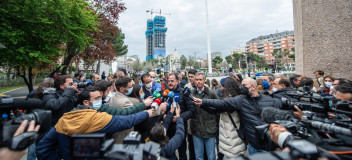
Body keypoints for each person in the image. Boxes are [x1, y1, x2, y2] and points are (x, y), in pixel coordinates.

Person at [36, 87, 155, 160]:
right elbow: (127, 121)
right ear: (86, 102)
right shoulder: (98, 119)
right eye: (97, 98)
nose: (101, 101)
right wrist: (147, 113)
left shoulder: (64, 120)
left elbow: (43, 148)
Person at [193, 78, 282, 155]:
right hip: (254, 145)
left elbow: (279, 121)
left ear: (253, 87)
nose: (241, 87)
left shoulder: (270, 100)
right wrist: (203, 102)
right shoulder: (241, 99)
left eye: (244, 85)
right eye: (241, 85)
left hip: (270, 145)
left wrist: (278, 144)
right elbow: (222, 103)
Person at [165, 73, 195, 160]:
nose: (169, 83)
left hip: (180, 128)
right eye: (168, 81)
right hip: (168, 129)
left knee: (182, 153)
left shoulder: (184, 93)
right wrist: (164, 116)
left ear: (177, 82)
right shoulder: (165, 93)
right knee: (169, 153)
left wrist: (179, 118)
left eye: (172, 81)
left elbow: (191, 111)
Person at [190, 73, 219, 160]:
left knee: (211, 156)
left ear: (204, 80)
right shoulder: (191, 93)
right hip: (196, 128)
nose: (198, 81)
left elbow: (218, 105)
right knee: (199, 156)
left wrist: (214, 120)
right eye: (197, 79)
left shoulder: (211, 93)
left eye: (200, 79)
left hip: (209, 128)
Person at [218, 76, 246, 158]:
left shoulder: (230, 100)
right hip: (232, 137)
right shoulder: (238, 97)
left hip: (231, 136)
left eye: (223, 86)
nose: (221, 88)